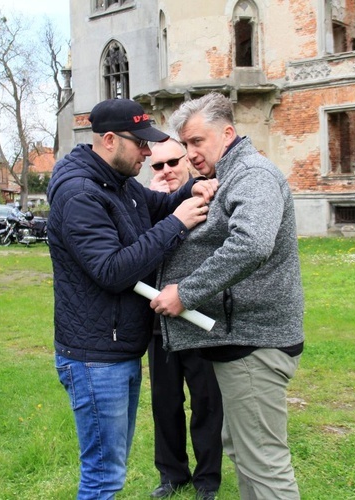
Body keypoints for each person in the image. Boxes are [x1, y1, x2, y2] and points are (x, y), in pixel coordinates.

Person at [46, 98, 218, 500]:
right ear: (109, 140)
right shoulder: (79, 194)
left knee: (110, 470)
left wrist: (194, 186)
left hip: (116, 349)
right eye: (140, 144)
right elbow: (112, 270)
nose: (147, 152)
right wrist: (177, 224)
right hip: (93, 357)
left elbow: (157, 203)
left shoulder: (119, 184)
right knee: (103, 478)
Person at [150, 93, 304, 500]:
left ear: (228, 133)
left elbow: (252, 244)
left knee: (265, 462)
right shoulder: (228, 178)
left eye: (198, 141)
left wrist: (185, 293)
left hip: (256, 344)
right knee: (244, 452)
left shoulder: (253, 174)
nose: (191, 153)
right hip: (239, 342)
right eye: (186, 144)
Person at [147, 139, 223, 500]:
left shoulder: (206, 198)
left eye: (173, 161)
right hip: (159, 317)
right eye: (157, 166)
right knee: (165, 400)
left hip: (200, 317)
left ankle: (207, 480)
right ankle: (172, 474)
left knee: (206, 401)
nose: (166, 171)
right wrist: (151, 208)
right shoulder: (145, 206)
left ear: (187, 163)